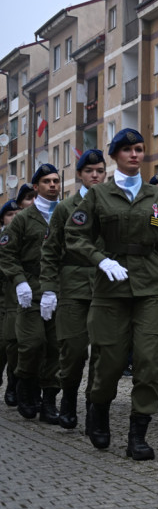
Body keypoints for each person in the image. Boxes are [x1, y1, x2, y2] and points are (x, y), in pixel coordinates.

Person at [64, 129, 158, 460]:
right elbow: (75, 237)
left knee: (149, 361)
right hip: (110, 290)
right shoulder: (98, 196)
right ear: (115, 155)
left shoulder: (157, 197)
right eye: (127, 150)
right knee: (109, 361)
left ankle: (138, 433)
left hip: (149, 288)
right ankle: (99, 410)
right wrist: (101, 259)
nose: (134, 154)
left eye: (138, 149)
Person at [39, 149, 107, 429]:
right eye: (89, 170)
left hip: (106, 289)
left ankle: (94, 406)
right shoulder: (66, 208)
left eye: (100, 171)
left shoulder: (113, 205)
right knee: (74, 350)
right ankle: (68, 398)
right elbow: (51, 250)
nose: (95, 175)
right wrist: (49, 289)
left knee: (104, 352)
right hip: (72, 288)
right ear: (79, 174)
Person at [0, 163, 64, 423]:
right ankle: (25, 386)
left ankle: (49, 400)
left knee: (56, 348)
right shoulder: (23, 220)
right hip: (29, 292)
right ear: (36, 187)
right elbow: (7, 254)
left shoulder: (66, 214)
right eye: (47, 181)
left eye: (56, 181)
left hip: (58, 291)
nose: (53, 185)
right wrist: (19, 281)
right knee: (31, 344)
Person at [1, 200, 21, 408]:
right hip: (3, 302)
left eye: (18, 213)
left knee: (15, 347)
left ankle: (13, 385)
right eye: (10, 214)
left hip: (16, 301)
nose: (14, 218)